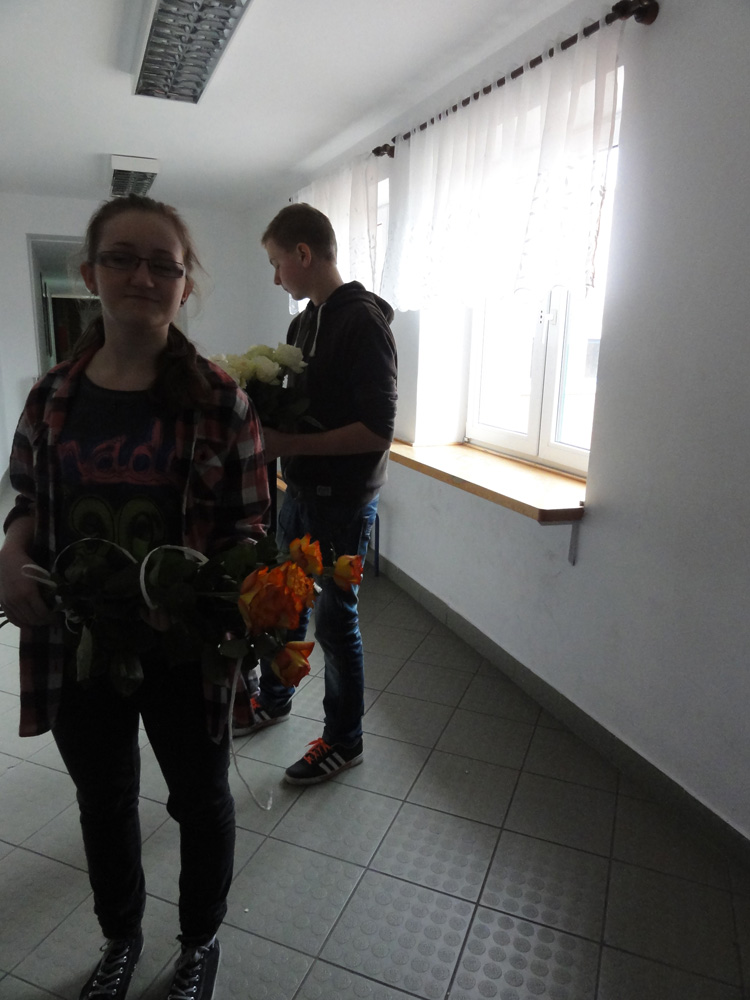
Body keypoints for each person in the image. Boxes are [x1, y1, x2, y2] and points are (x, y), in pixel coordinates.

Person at [0, 194, 269, 1000]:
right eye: (121, 259)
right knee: (105, 801)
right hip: (78, 648)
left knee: (201, 801)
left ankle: (198, 943)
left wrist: (210, 592)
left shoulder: (223, 402)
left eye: (163, 264)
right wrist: (11, 553)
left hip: (187, 653)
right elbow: (27, 500)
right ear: (89, 274)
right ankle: (121, 937)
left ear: (186, 283)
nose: (142, 277)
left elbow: (252, 528)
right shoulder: (52, 397)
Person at [239, 202, 397, 785]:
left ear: (303, 254)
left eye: (276, 263)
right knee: (286, 604)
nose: (274, 277)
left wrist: (289, 444)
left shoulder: (363, 323)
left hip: (343, 503)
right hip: (300, 492)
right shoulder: (302, 324)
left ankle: (344, 740)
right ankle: (275, 699)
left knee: (335, 623)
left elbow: (377, 431)